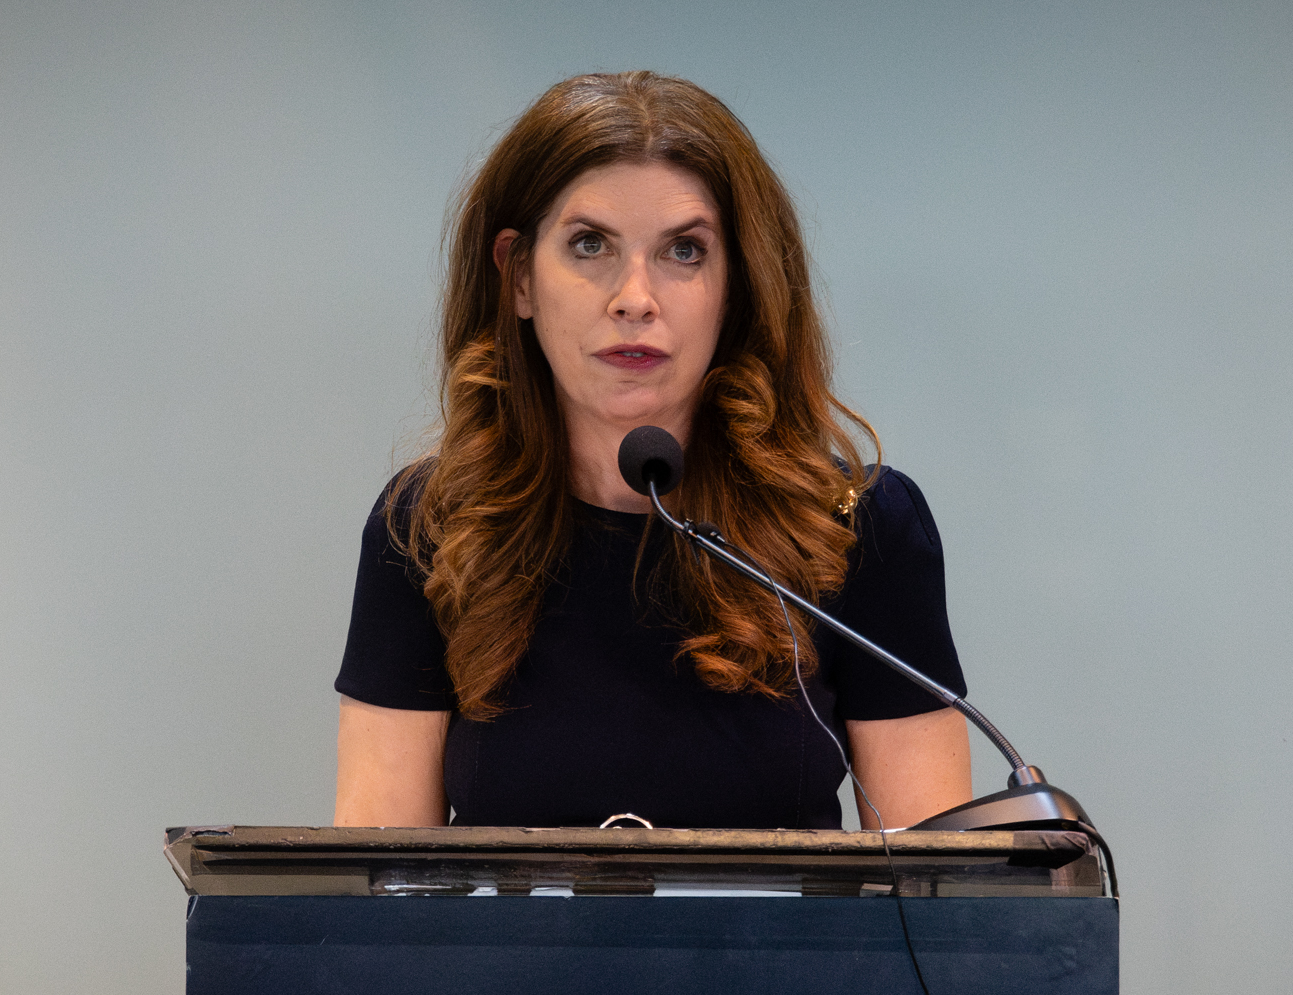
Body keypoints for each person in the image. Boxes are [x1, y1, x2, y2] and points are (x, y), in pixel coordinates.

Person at [333, 70, 972, 830]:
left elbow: (941, 906)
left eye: (684, 252)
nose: (634, 297)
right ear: (519, 279)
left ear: (736, 288)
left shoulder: (854, 528)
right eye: (590, 244)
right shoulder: (431, 530)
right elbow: (381, 893)